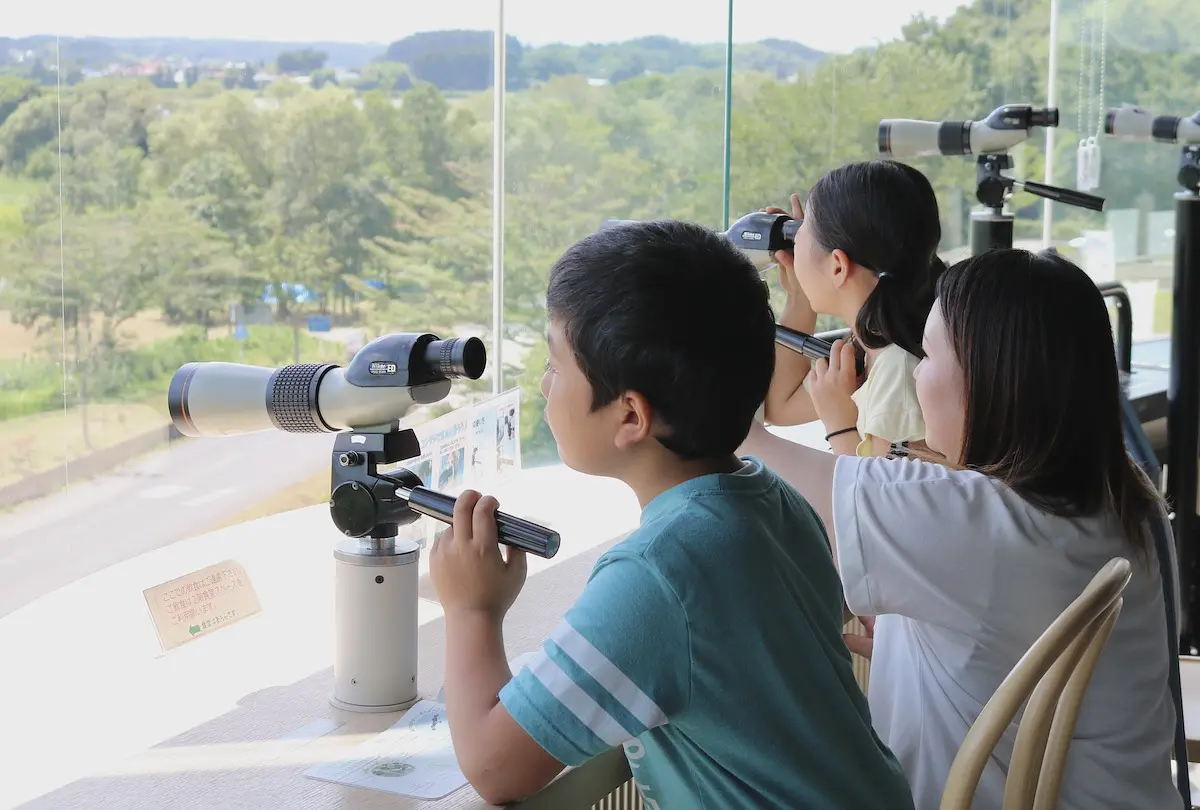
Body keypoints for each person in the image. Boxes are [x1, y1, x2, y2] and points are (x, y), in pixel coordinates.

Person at [428, 219, 915, 809]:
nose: (541, 385)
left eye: (556, 367)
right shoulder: (775, 502)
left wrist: (472, 606)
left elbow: (493, 766)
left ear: (630, 416)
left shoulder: (659, 574)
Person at [741, 248, 1179, 809]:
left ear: (991, 379)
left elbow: (742, 443)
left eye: (926, 356)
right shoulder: (1124, 491)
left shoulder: (978, 521)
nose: (917, 375)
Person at [762, 160, 945, 458]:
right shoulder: (870, 343)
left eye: (803, 231)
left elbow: (881, 499)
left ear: (837, 266)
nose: (793, 245)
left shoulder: (897, 370)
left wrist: (840, 424)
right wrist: (799, 299)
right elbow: (778, 407)